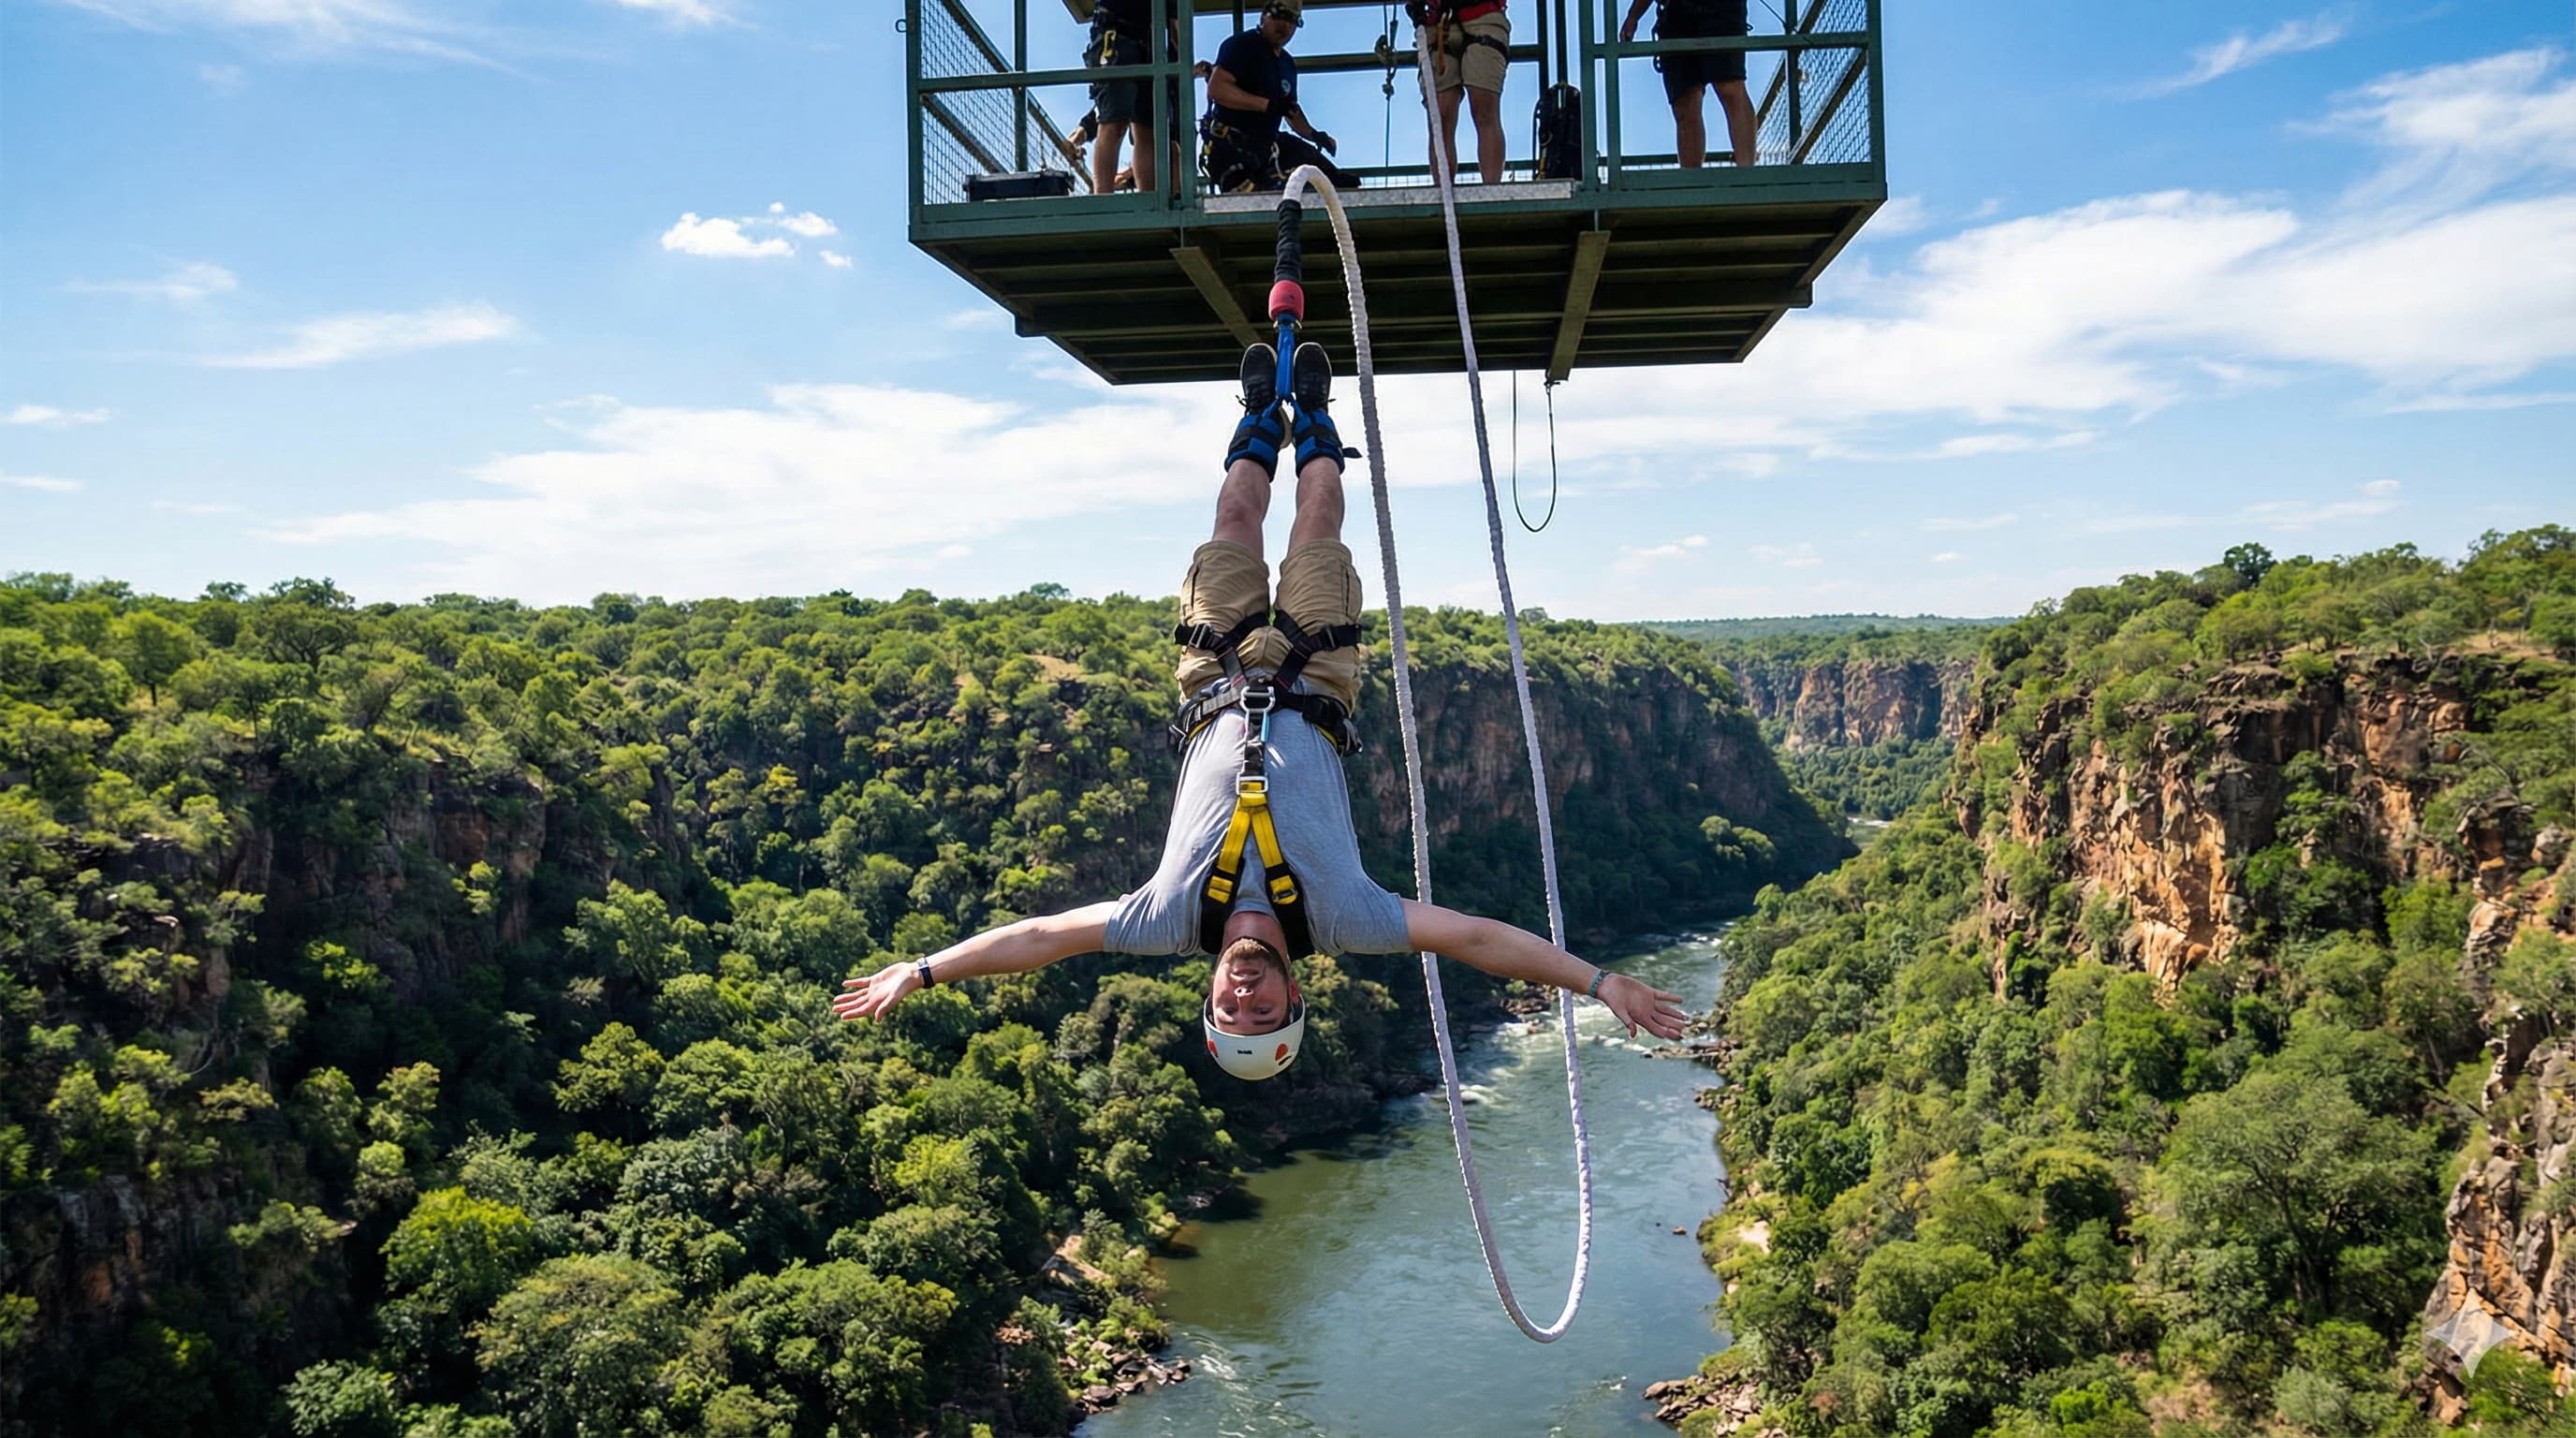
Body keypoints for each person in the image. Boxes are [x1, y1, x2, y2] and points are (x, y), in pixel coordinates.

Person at [835, 342, 1688, 1078]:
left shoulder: (1162, 921)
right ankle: (1314, 416)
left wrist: (926, 969)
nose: (1244, 997)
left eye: (1231, 1013)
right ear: (1295, 993)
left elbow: (1041, 937)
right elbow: (1473, 937)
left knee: (1236, 513)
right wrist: (1599, 982)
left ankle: (1257, 418)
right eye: (1262, 1012)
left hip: (1213, 675)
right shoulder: (1347, 920)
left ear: (1209, 994)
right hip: (1317, 679)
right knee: (1318, 515)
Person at [1199, 0, 1357, 195]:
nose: (1286, 26)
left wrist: (1314, 134)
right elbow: (1218, 89)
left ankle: (1333, 187)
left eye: (1292, 21)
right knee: (1262, 193)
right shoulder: (1242, 46)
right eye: (1280, 16)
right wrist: (1266, 105)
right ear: (1264, 15)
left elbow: (1290, 110)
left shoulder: (1286, 64)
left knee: (1329, 178)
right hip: (1233, 148)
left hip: (1267, 146)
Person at [1620, 0, 1757, 169]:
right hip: (1675, 12)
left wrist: (1633, 16)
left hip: (1721, 8)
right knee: (1685, 100)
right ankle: (1693, 180)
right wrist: (1633, 15)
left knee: (1729, 86)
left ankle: (1746, 172)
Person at [1412, 0, 1510, 184]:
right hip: (1438, 23)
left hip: (1481, 17)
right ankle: (1443, 192)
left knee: (1484, 110)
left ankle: (1491, 190)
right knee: (1440, 118)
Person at [1083, 0, 1160, 196]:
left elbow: (1174, 20)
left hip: (1148, 43)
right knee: (1113, 121)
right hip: (1115, 34)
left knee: (1146, 127)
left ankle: (1149, 201)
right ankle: (1103, 199)